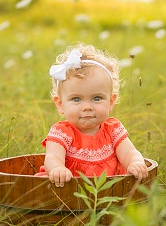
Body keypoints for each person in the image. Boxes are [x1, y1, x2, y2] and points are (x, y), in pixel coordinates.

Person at [37, 43, 148, 187]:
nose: (87, 107)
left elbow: (129, 152)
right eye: (76, 99)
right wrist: (57, 168)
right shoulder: (62, 133)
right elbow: (53, 156)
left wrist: (135, 162)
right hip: (67, 189)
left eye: (97, 98)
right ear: (60, 104)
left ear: (111, 102)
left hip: (107, 190)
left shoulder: (113, 130)